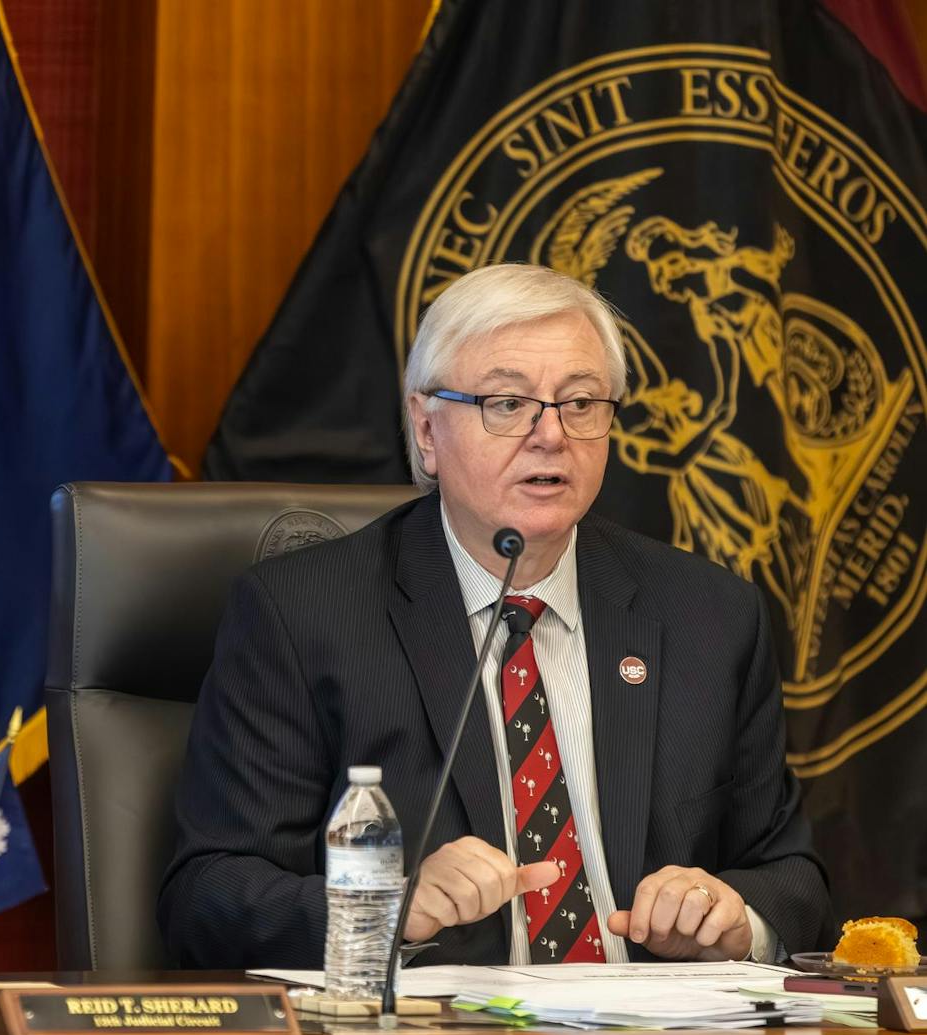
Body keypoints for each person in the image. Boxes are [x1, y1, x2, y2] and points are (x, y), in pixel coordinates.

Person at [159, 263, 831, 968]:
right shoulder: (303, 616)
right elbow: (207, 894)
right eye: (507, 403)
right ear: (426, 430)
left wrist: (733, 919)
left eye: (580, 402)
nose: (551, 435)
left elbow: (791, 874)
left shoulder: (710, 615)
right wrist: (393, 907)